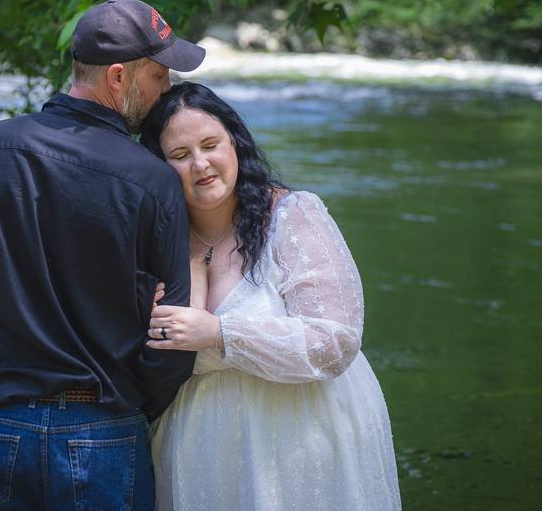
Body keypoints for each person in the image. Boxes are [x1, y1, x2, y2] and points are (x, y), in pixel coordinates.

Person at [0, 0, 205, 510]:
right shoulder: (152, 179)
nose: (168, 91)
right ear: (119, 78)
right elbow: (172, 330)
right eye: (160, 77)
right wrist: (134, 406)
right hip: (106, 433)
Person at [138, 82, 402, 510]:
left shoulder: (294, 216)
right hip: (201, 447)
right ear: (158, 166)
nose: (201, 164)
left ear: (235, 144)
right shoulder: (159, 240)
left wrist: (221, 333)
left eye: (211, 145)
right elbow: (160, 355)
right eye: (180, 155)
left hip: (302, 441)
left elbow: (335, 342)